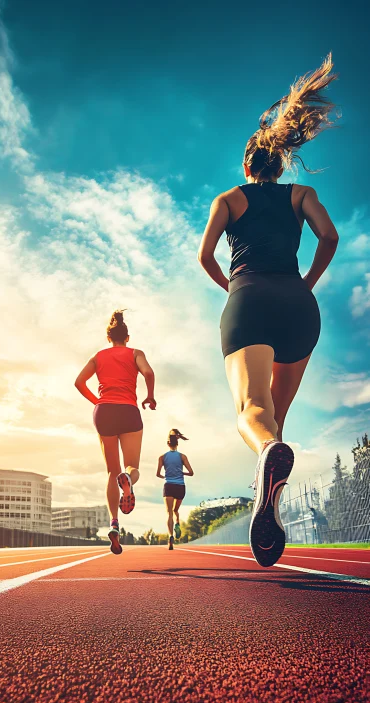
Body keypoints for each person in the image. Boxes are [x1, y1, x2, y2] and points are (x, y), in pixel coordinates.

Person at [197, 54, 339, 567]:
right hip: (300, 307)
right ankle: (270, 505)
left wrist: (230, 287)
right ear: (279, 166)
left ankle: (264, 456)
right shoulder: (302, 193)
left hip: (250, 299)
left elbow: (205, 256)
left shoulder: (228, 200)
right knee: (277, 416)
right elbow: (330, 237)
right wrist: (307, 283)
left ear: (247, 167)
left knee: (252, 413)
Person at [74, 310, 156, 555]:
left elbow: (79, 382)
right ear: (127, 337)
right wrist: (150, 396)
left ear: (108, 337)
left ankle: (114, 523)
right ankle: (129, 481)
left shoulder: (98, 356)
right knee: (132, 466)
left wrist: (97, 402)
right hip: (129, 410)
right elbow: (149, 373)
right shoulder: (135, 353)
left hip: (104, 411)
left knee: (111, 471)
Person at [156, 429, 194, 550]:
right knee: (176, 510)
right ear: (177, 443)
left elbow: (157, 474)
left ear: (168, 444)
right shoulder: (183, 456)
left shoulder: (162, 457)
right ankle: (177, 522)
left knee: (169, 513)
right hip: (180, 486)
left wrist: (166, 476)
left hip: (169, 485)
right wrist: (181, 472)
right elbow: (191, 472)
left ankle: (170, 535)